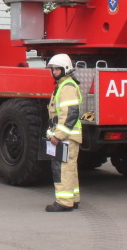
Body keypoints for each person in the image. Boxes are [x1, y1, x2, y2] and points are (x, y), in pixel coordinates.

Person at [45, 53, 82, 212]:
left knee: (62, 169)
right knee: (70, 168)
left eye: (56, 69)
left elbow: (70, 114)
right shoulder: (65, 84)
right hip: (70, 135)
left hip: (66, 136)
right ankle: (73, 199)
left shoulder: (67, 86)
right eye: (52, 69)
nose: (53, 72)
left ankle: (64, 202)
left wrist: (58, 135)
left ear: (65, 69)